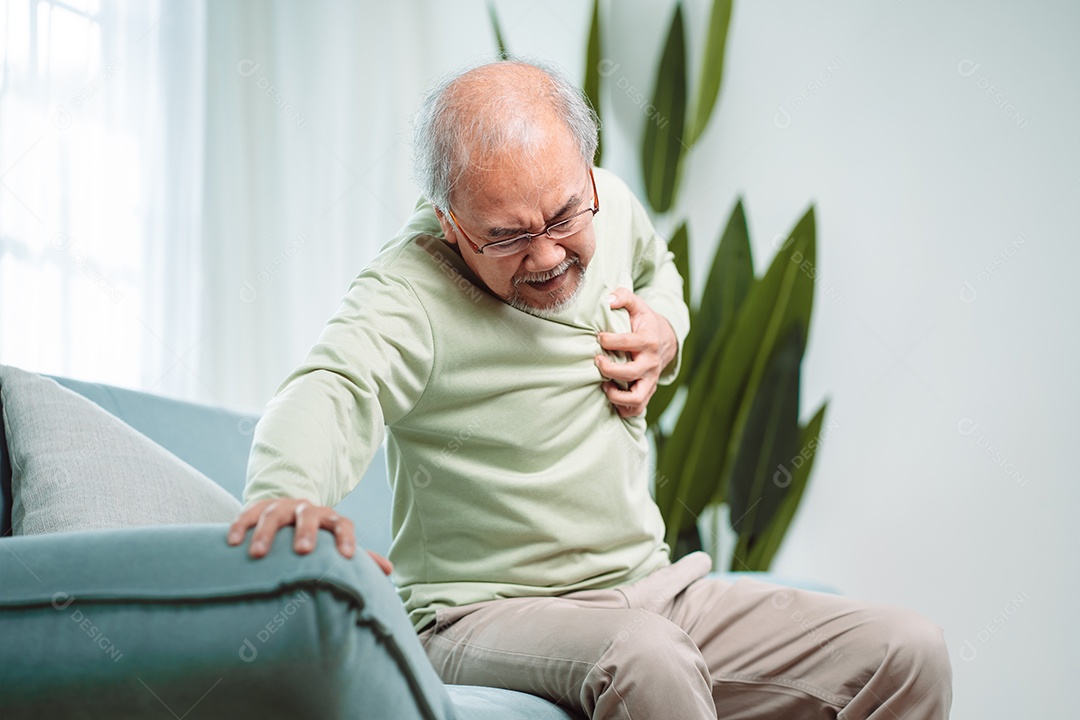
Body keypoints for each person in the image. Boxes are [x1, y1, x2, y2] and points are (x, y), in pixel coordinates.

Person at [227, 59, 952, 719]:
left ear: (588, 170)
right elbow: (332, 384)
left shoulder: (608, 201)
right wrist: (286, 492)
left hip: (658, 589)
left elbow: (659, 270)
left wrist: (664, 330)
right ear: (450, 223)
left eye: (565, 216)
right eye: (507, 237)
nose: (546, 255)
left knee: (905, 651)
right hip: (482, 617)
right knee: (647, 656)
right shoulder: (409, 290)